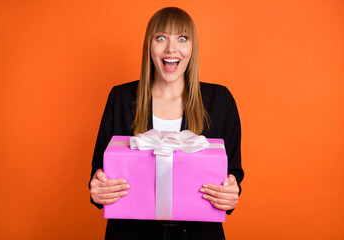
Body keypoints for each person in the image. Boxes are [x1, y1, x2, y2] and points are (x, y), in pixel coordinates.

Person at [89, 7, 244, 240]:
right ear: (149, 46)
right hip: (130, 234)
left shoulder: (220, 100)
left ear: (192, 47)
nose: (171, 49)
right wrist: (97, 188)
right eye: (161, 38)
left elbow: (233, 172)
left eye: (182, 38)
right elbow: (98, 173)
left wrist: (232, 191)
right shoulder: (121, 98)